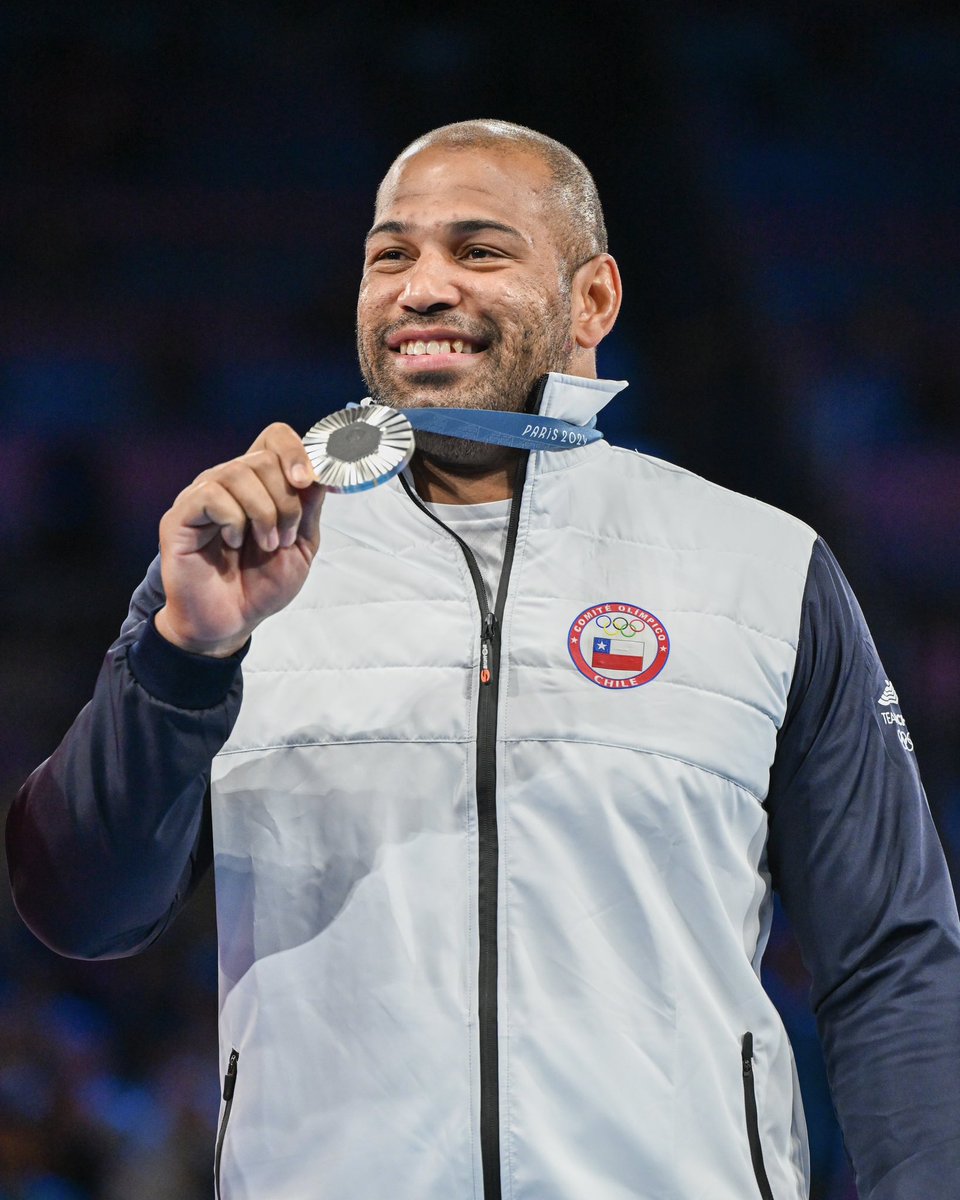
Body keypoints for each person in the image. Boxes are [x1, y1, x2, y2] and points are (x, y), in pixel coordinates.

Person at [7, 120, 960, 1200]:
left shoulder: (763, 570)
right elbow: (80, 910)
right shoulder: (236, 566)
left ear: (592, 300)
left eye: (480, 250)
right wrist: (185, 654)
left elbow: (892, 961)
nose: (423, 287)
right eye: (391, 255)